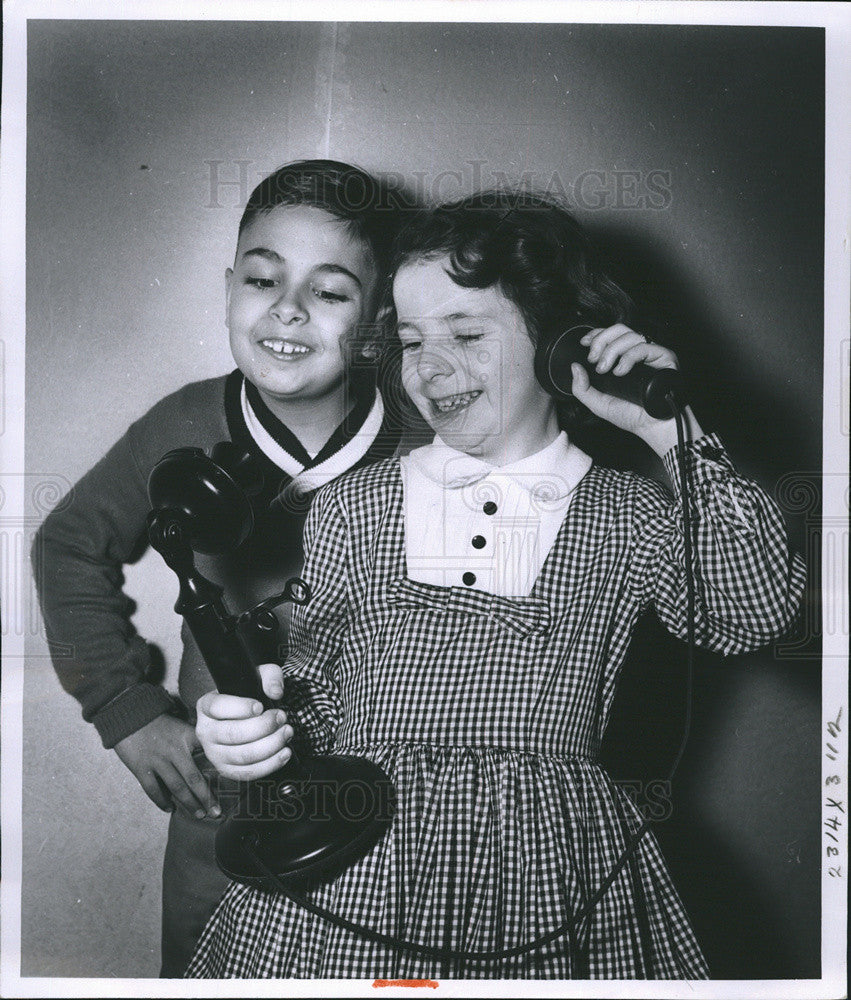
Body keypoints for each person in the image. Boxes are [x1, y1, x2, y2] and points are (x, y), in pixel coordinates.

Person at [186, 190, 806, 979]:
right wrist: (254, 735)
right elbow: (314, 699)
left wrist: (666, 432)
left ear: (558, 344)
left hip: (550, 873)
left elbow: (751, 614)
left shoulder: (630, 510)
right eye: (409, 340)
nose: (429, 365)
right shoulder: (353, 505)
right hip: (356, 863)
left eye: (466, 333)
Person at [32, 159, 408, 977]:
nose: (288, 309)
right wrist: (124, 707)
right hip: (224, 804)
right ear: (228, 284)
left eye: (331, 292)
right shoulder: (185, 423)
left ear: (379, 317)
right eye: (263, 278)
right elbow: (66, 545)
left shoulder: (425, 437)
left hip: (390, 801)